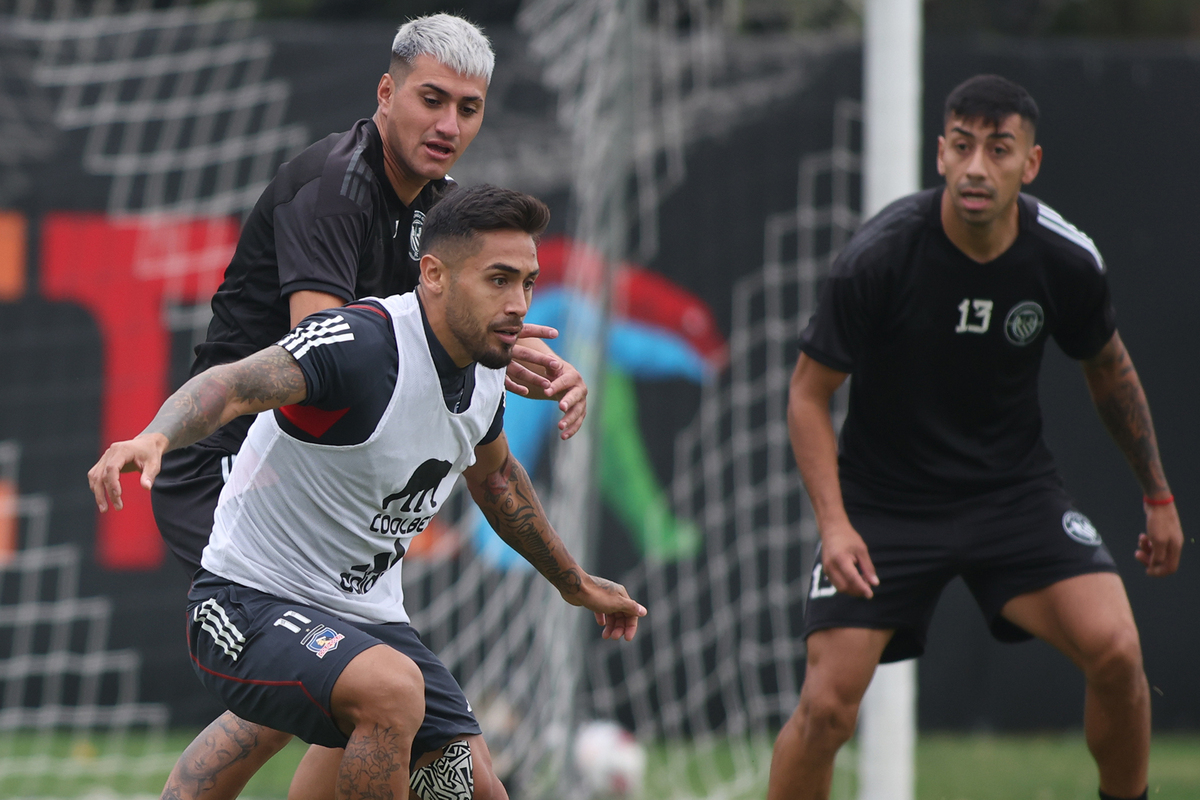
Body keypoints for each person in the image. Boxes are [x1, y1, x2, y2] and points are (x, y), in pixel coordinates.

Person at [144, 14, 588, 800]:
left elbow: (435, 320)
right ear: (386, 93)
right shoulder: (334, 192)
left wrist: (502, 344)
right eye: (431, 99)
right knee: (328, 683)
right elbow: (332, 353)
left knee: (353, 688)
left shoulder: (445, 210)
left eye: (470, 108)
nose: (449, 124)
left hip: (325, 468)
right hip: (238, 463)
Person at [89, 184, 644, 800]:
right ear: (433, 274)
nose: (518, 304)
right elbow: (235, 384)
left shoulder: (490, 372)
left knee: (480, 788)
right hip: (244, 605)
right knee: (388, 693)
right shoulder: (362, 343)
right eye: (498, 280)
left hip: (366, 622)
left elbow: (495, 478)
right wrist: (155, 436)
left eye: (528, 283)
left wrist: (574, 581)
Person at [767, 75, 1182, 800]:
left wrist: (1158, 493)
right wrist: (834, 525)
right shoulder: (878, 258)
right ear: (940, 154)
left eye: (998, 149)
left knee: (1117, 652)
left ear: (1032, 162)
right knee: (828, 707)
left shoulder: (1065, 259)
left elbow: (1109, 371)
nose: (976, 168)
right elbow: (807, 394)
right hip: (884, 506)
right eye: (962, 147)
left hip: (1013, 498)